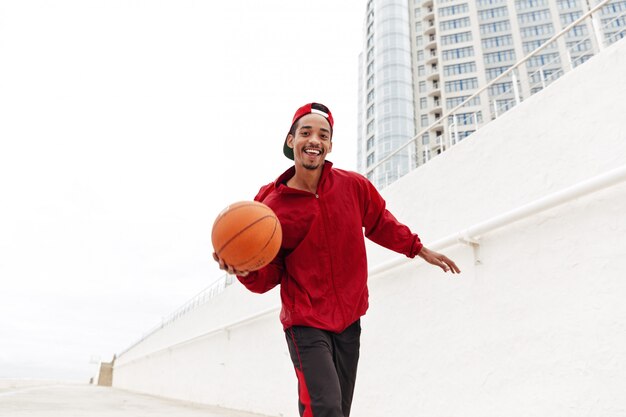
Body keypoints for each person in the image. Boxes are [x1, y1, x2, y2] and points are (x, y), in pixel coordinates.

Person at [214, 102, 460, 417]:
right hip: (305, 322)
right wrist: (245, 270)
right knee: (325, 408)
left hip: (349, 319)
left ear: (329, 145)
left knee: (338, 410)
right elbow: (268, 276)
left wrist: (418, 248)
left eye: (323, 134)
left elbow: (380, 223)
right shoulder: (272, 208)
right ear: (291, 141)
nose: (314, 140)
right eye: (306, 132)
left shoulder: (353, 186)